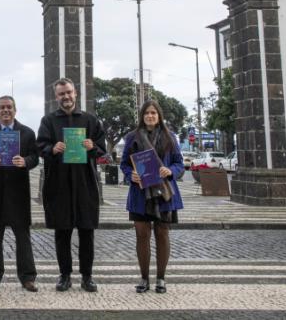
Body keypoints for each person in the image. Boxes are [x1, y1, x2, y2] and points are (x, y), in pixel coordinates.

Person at [36, 78, 107, 292]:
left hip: (85, 184)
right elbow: (40, 146)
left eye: (68, 92)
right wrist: (52, 148)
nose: (65, 97)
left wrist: (92, 146)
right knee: (62, 233)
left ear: (75, 93)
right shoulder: (48, 121)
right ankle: (64, 275)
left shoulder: (90, 120)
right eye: (61, 94)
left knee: (87, 232)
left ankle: (87, 276)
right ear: (56, 97)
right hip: (59, 185)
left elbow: (103, 150)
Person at [0, 96, 39, 292]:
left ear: (15, 110)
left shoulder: (27, 133)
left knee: (23, 237)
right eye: (2, 107)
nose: (6, 110)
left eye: (9, 107)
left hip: (19, 193)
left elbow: (35, 157)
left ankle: (27, 278)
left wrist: (25, 161)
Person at [119, 100, 185, 294]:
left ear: (159, 116)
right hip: (141, 193)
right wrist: (130, 174)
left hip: (164, 193)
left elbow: (179, 164)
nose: (150, 116)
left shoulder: (169, 136)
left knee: (162, 234)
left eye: (153, 113)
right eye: (147, 113)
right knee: (142, 235)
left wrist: (170, 170)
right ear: (142, 116)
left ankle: (161, 278)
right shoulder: (132, 137)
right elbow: (124, 164)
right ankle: (144, 278)